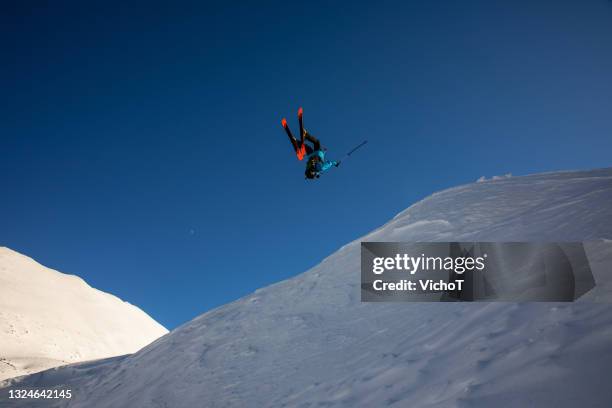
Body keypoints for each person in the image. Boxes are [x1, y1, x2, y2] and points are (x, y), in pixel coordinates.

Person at [281, 112, 340, 179]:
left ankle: (305, 134)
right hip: (310, 155)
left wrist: (335, 163)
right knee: (307, 147)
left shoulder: (320, 169)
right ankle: (296, 141)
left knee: (316, 142)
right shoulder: (314, 170)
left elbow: (328, 163)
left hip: (317, 154)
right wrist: (324, 152)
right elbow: (320, 163)